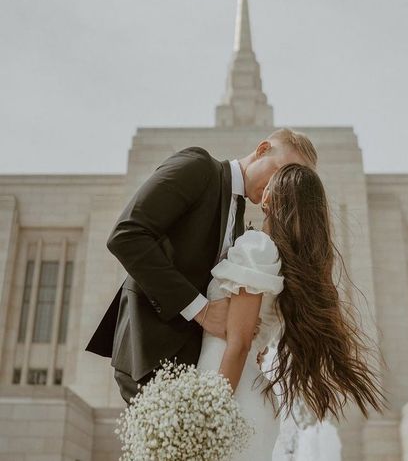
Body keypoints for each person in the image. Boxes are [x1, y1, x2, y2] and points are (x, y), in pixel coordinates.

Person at [84, 128, 317, 404]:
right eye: (280, 172)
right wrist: (201, 310)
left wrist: (244, 333)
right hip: (150, 351)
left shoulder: (239, 220)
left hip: (189, 365)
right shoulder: (198, 167)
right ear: (263, 149)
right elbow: (126, 235)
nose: (278, 186)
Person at [196, 163, 389, 460]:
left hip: (229, 397)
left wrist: (208, 418)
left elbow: (239, 344)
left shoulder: (258, 247)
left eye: (271, 183)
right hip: (241, 393)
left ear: (273, 198)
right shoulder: (284, 262)